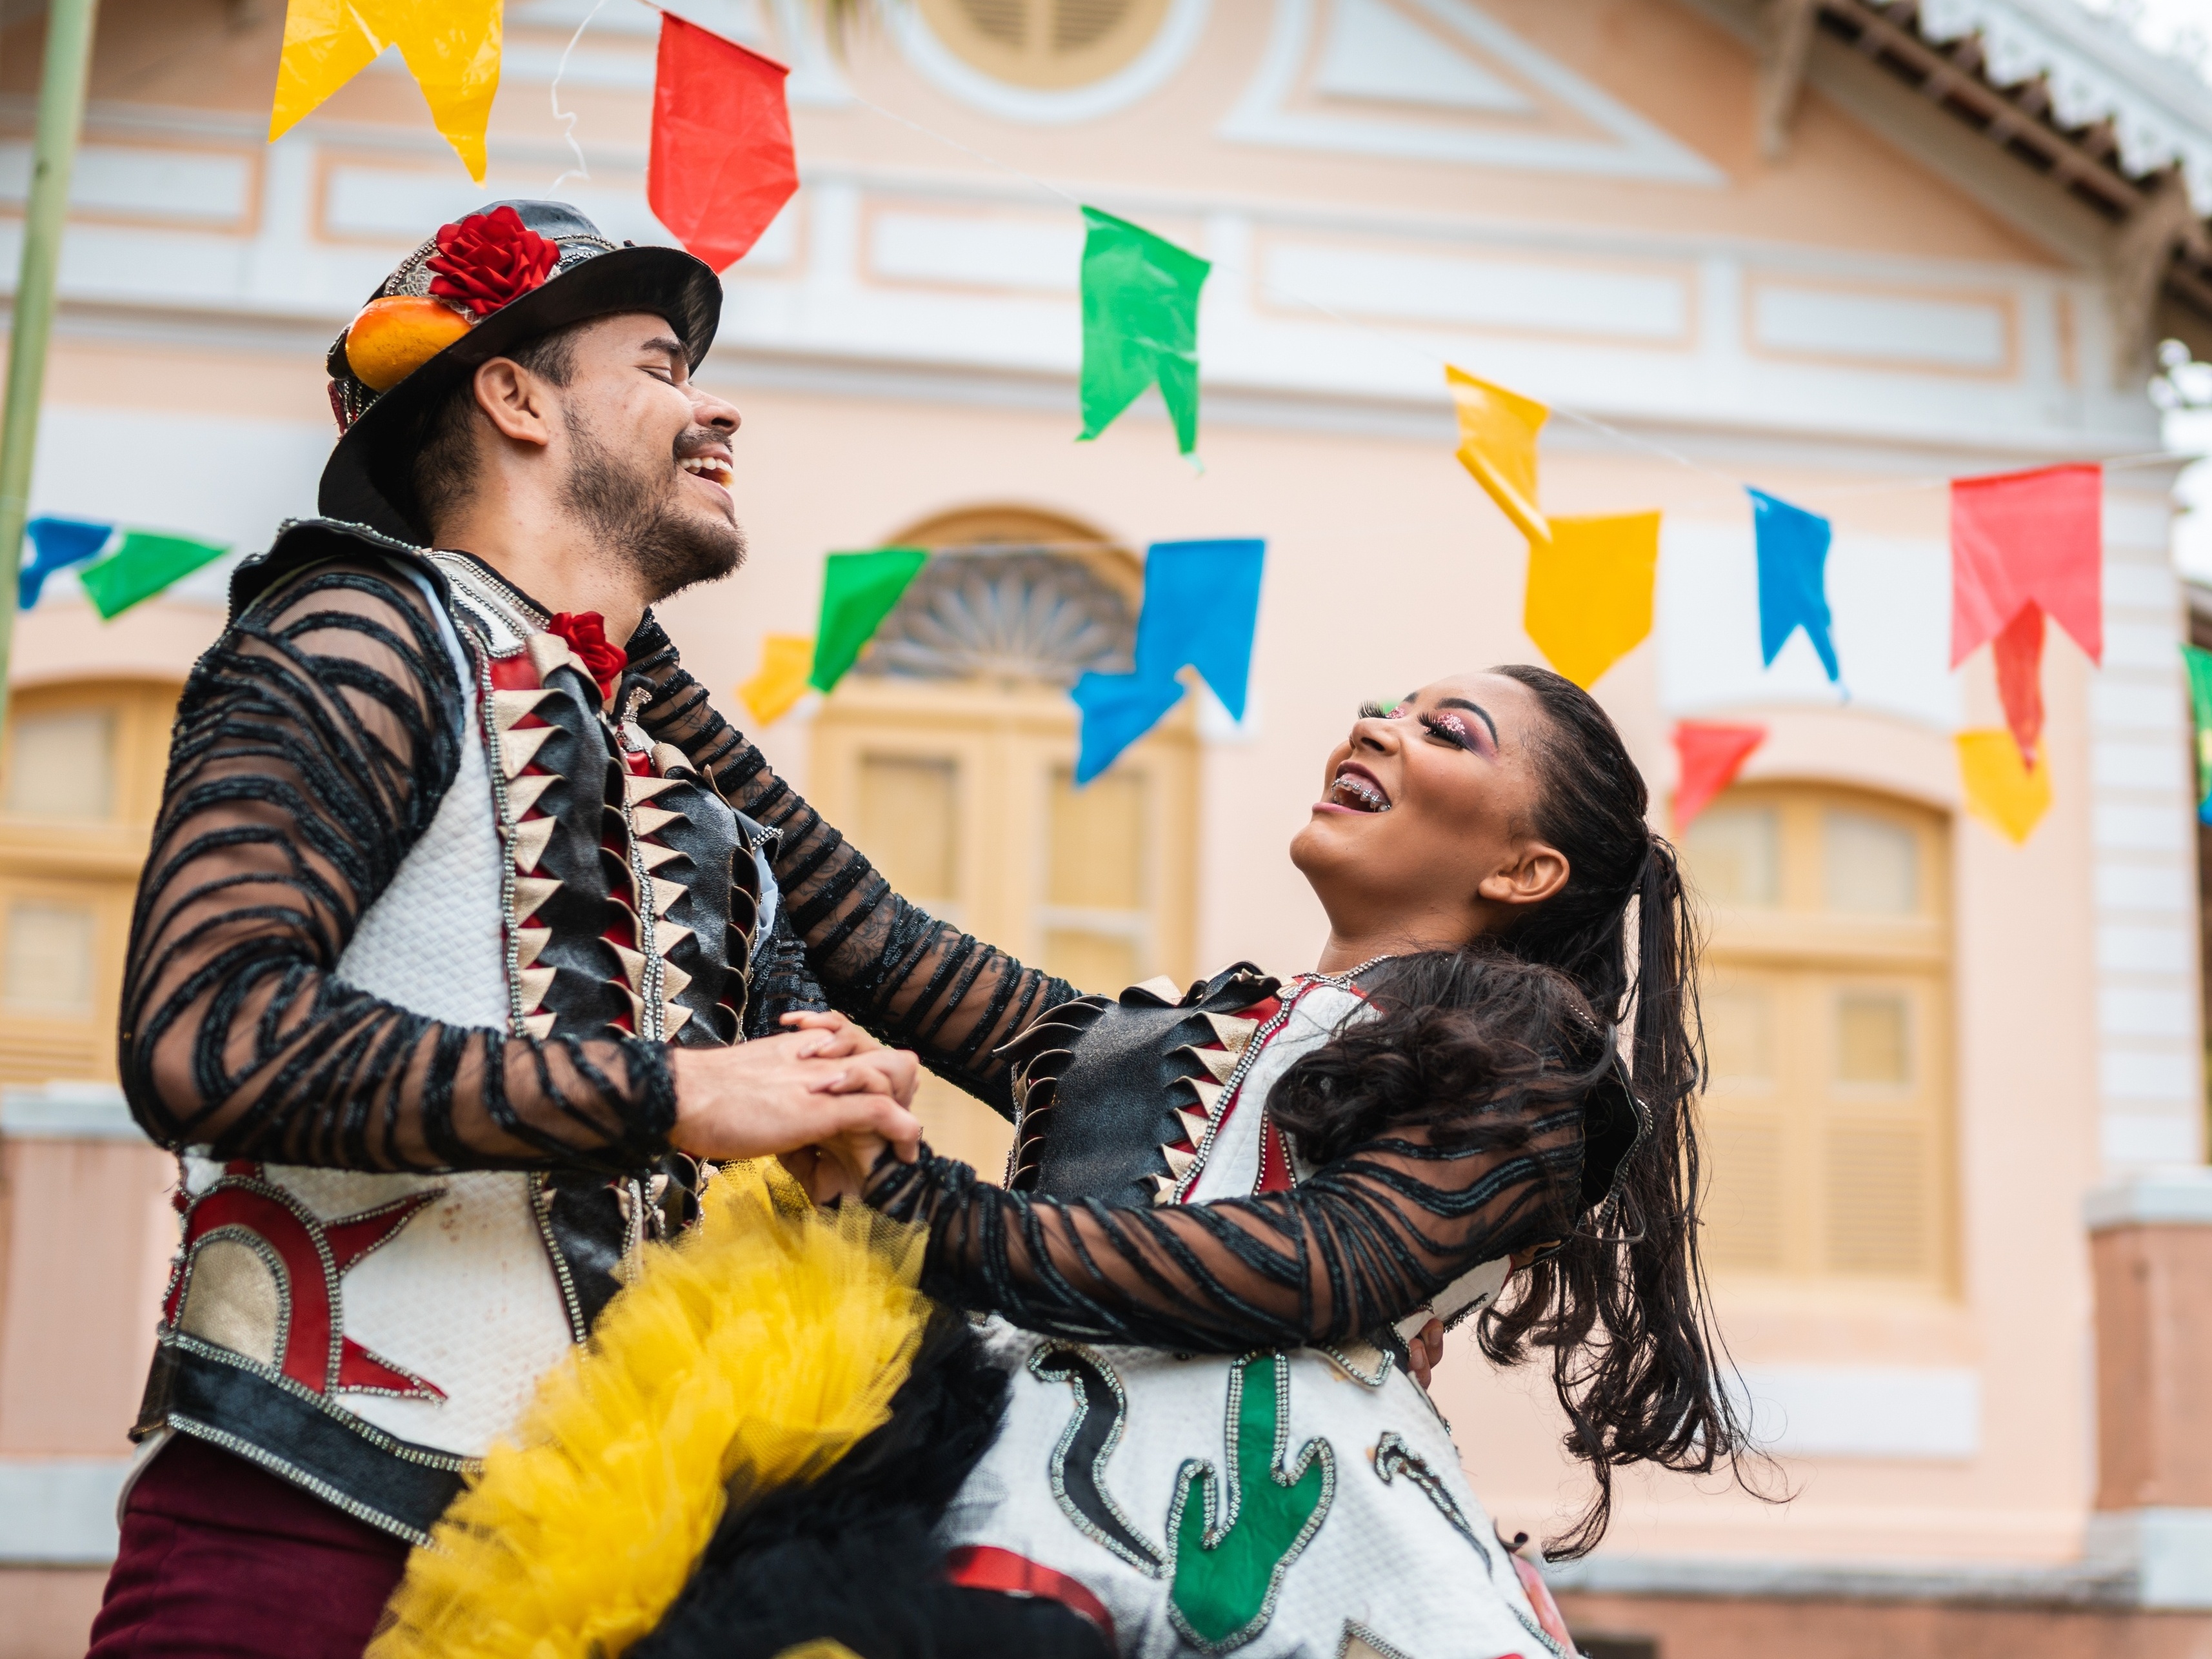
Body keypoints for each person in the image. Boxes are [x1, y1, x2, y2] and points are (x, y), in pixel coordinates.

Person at [380, 653, 1750, 1656]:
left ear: (1521, 872)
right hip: (1004, 1496)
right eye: (1382, 698)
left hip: (1292, 1539)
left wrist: (936, 1216)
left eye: (1443, 729)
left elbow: (1324, 1262)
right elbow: (868, 925)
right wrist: (638, 662)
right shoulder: (1128, 1038)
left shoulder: (1521, 1046)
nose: (1373, 721)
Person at [88, 201, 928, 1658]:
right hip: (316, 1522)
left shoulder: (710, 812)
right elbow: (201, 1037)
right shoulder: (355, 626)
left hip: (630, 1582)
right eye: (664, 362)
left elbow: (775, 1154)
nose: (716, 402)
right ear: (514, 393)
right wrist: (679, 1091)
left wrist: (835, 1145)